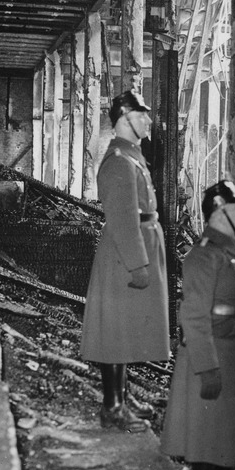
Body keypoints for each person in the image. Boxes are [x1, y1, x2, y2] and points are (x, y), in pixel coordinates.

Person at [161, 180, 235, 470]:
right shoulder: (204, 254)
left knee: (227, 444)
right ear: (220, 208)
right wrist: (207, 368)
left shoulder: (232, 250)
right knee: (209, 447)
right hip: (217, 355)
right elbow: (194, 316)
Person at [79, 91, 169, 432]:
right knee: (115, 332)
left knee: (125, 329)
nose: (148, 121)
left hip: (139, 241)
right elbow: (121, 217)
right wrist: (137, 263)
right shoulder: (118, 159)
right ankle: (112, 407)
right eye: (142, 115)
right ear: (124, 118)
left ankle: (121, 399)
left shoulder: (132, 155)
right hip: (124, 252)